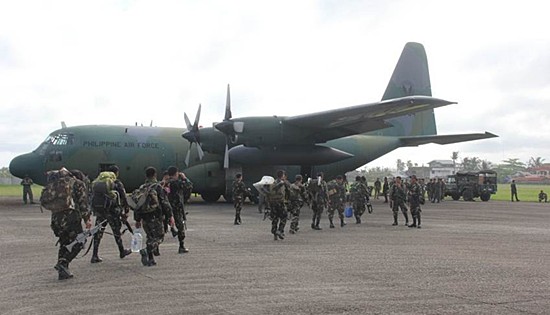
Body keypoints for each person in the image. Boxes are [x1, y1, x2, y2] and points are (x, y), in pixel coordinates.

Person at [47, 168, 91, 280]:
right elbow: (83, 203)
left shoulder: (58, 184)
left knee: (64, 242)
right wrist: (87, 219)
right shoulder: (78, 184)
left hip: (56, 219)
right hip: (71, 219)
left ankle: (63, 271)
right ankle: (64, 263)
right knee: (80, 241)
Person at [90, 165, 132, 263]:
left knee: (98, 232)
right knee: (116, 232)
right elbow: (123, 197)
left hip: (101, 211)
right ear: (116, 173)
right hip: (113, 211)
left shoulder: (99, 182)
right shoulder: (116, 183)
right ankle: (122, 251)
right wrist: (126, 210)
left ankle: (94, 255)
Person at [135, 166, 174, 266]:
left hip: (144, 217)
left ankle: (151, 259)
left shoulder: (142, 187)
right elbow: (165, 202)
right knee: (159, 237)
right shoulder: (157, 187)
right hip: (156, 216)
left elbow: (138, 205)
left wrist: (137, 219)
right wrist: (170, 216)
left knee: (150, 236)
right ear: (155, 175)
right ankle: (146, 250)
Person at [166, 166, 192, 254]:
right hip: (176, 209)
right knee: (181, 228)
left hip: (166, 208)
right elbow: (189, 185)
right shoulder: (176, 183)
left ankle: (154, 249)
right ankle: (181, 246)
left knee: (162, 228)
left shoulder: (166, 182)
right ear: (176, 173)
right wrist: (185, 178)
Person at [262, 170, 290, 240]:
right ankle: (280, 230)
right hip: (280, 202)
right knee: (284, 216)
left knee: (275, 218)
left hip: (272, 203)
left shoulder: (272, 183)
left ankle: (274, 232)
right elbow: (288, 191)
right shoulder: (282, 183)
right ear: (282, 175)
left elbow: (268, 194)